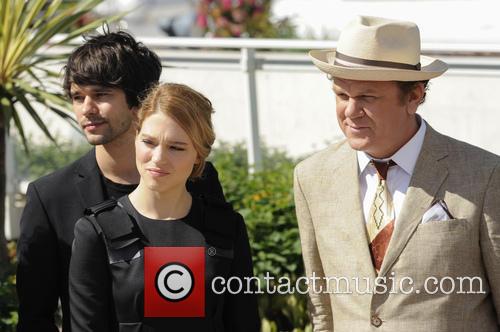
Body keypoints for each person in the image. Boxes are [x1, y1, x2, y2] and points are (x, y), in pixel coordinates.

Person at [294, 16, 500, 331]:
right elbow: (321, 306)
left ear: (414, 96)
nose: (350, 111)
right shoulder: (312, 177)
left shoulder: (484, 174)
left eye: (367, 97)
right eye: (342, 95)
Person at [16, 31, 225, 332]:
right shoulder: (50, 197)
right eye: (78, 96)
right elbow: (35, 317)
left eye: (101, 95)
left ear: (138, 102)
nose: (86, 109)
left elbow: (222, 283)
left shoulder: (198, 179)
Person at [68, 83, 260, 331]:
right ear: (135, 139)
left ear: (198, 156)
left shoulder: (226, 228)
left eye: (176, 147)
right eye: (149, 142)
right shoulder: (95, 231)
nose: (158, 158)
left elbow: (244, 323)